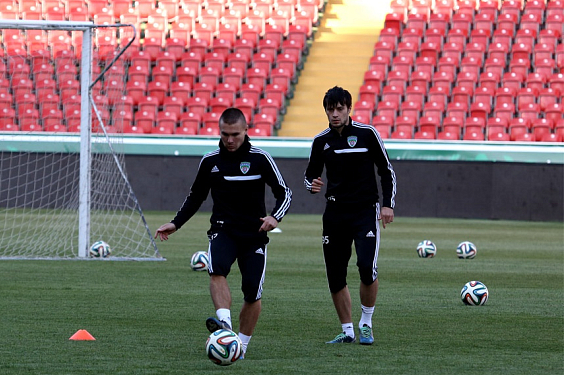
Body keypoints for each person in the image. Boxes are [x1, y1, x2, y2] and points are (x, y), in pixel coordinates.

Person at [155, 108, 292, 358]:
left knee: (252, 292)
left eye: (235, 134)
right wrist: (176, 223)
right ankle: (225, 325)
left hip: (254, 234)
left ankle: (241, 345)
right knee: (216, 270)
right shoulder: (210, 161)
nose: (229, 140)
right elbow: (195, 197)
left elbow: (284, 193)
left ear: (246, 130)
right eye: (225, 134)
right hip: (222, 230)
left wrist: (275, 217)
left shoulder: (261, 158)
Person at [304, 86, 396, 345]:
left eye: (339, 109)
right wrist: (311, 185)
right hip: (335, 213)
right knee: (335, 274)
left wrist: (387, 205)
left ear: (348, 109)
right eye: (330, 109)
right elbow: (309, 175)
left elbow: (386, 171)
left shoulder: (367, 134)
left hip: (365, 211)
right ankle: (347, 331)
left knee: (366, 267)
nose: (335, 114)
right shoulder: (321, 141)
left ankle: (366, 323)